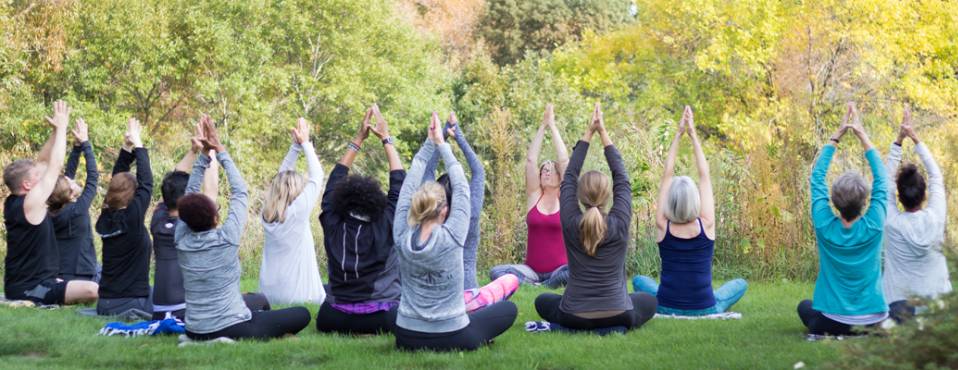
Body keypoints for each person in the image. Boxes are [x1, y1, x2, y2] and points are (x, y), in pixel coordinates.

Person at [391, 113, 518, 351]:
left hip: (406, 336)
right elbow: (463, 183)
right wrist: (442, 142)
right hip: (451, 334)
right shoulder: (454, 234)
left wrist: (431, 144)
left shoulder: (401, 234)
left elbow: (410, 183)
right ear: (446, 210)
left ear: (415, 204)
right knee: (508, 310)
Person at [176, 117, 309, 341]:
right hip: (231, 327)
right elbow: (240, 192)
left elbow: (189, 194)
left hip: (194, 329)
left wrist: (203, 156)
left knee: (261, 300)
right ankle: (232, 339)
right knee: (302, 314)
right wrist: (220, 150)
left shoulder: (180, 239)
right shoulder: (226, 239)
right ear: (216, 218)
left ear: (185, 219)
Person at [534, 103, 657, 332]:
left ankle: (579, 327)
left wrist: (588, 133)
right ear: (608, 194)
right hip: (618, 312)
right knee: (649, 301)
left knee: (542, 301)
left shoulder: (571, 222)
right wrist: (604, 133)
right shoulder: (619, 222)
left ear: (579, 196)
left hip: (574, 315)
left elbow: (569, 175)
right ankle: (612, 327)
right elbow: (622, 177)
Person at [632, 106, 747, 315]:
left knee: (639, 281)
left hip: (665, 305)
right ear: (695, 200)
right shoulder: (707, 223)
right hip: (705, 307)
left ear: (671, 200)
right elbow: (705, 176)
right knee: (740, 284)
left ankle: (672, 300)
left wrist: (678, 134)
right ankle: (709, 304)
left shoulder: (662, 224)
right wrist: (692, 135)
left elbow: (666, 176)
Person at [798, 102, 889, 336]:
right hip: (872, 321)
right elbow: (882, 179)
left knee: (804, 307)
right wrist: (862, 135)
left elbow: (817, 178)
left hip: (830, 321)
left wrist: (836, 136)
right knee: (902, 308)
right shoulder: (874, 225)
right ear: (864, 201)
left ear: (835, 201)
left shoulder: (824, 226)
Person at [3, 100, 98, 305]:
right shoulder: (31, 203)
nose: (44, 175)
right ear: (28, 185)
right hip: (30, 288)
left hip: (33, 281)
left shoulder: (16, 200)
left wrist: (55, 132)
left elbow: (44, 162)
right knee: (92, 291)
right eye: (39, 176)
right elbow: (54, 165)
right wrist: (63, 129)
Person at [422, 112, 518, 312]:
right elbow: (478, 171)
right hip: (469, 298)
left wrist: (442, 137)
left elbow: (427, 169)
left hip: (436, 298)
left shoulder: (431, 216)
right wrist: (458, 135)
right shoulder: (470, 214)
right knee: (510, 280)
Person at [490, 104, 570, 288]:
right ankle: (538, 284)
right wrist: (543, 126)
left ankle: (545, 284)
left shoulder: (565, 199)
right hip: (531, 271)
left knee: (575, 271)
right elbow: (531, 160)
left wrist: (553, 125)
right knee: (497, 272)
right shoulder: (535, 196)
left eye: (551, 170)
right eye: (543, 171)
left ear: (560, 177)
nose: (546, 173)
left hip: (560, 270)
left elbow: (564, 160)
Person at [882, 105, 949, 322]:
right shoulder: (936, 217)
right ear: (924, 193)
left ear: (899, 196)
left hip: (898, 309)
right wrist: (915, 138)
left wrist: (898, 141)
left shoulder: (891, 222)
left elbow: (884, 185)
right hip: (938, 307)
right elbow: (936, 175)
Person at [151, 116, 220, 320]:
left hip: (159, 311)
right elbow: (211, 193)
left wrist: (193, 151)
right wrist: (211, 149)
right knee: (258, 300)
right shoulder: (191, 225)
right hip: (186, 310)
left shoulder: (157, 219)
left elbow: (173, 181)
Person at [259, 117, 325, 305]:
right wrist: (305, 143)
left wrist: (295, 148)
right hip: (297, 296)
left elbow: (281, 176)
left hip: (268, 294)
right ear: (296, 190)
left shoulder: (266, 213)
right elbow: (317, 176)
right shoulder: (297, 212)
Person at [94, 118, 154, 317]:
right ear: (133, 195)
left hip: (105, 303)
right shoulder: (132, 218)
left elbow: (117, 181)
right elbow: (147, 183)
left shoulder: (106, 216)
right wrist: (138, 144)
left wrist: (126, 148)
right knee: (176, 299)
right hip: (131, 302)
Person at [48, 117, 99, 282]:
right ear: (70, 194)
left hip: (61, 271)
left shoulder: (54, 209)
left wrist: (76, 148)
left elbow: (68, 174)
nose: (72, 179)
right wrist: (86, 143)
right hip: (83, 275)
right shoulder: (78, 210)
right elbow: (93, 178)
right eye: (71, 182)